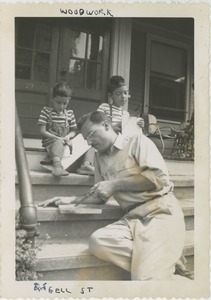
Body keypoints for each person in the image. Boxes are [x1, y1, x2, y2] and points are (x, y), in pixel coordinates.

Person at [39, 111, 190, 281]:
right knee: (99, 242)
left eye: (90, 134)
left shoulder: (137, 141)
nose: (89, 142)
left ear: (106, 125)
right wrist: (70, 200)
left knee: (144, 279)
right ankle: (166, 258)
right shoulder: (98, 157)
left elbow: (159, 179)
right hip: (132, 219)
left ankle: (159, 265)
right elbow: (99, 195)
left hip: (159, 211)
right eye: (85, 139)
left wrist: (115, 184)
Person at [77, 75, 144, 175]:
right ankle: (87, 165)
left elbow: (128, 133)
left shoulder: (126, 114)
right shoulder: (105, 107)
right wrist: (117, 125)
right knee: (94, 142)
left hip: (117, 141)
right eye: (119, 93)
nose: (123, 96)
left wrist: (137, 125)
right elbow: (97, 124)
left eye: (125, 93)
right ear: (111, 95)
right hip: (105, 138)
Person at [38, 81, 77, 177]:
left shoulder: (70, 114)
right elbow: (42, 131)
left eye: (65, 103)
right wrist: (58, 138)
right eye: (58, 102)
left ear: (69, 100)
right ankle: (57, 167)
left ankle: (86, 164)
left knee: (82, 142)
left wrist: (68, 137)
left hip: (65, 140)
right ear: (52, 99)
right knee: (58, 143)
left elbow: (73, 131)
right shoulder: (46, 112)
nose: (61, 106)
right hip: (51, 141)